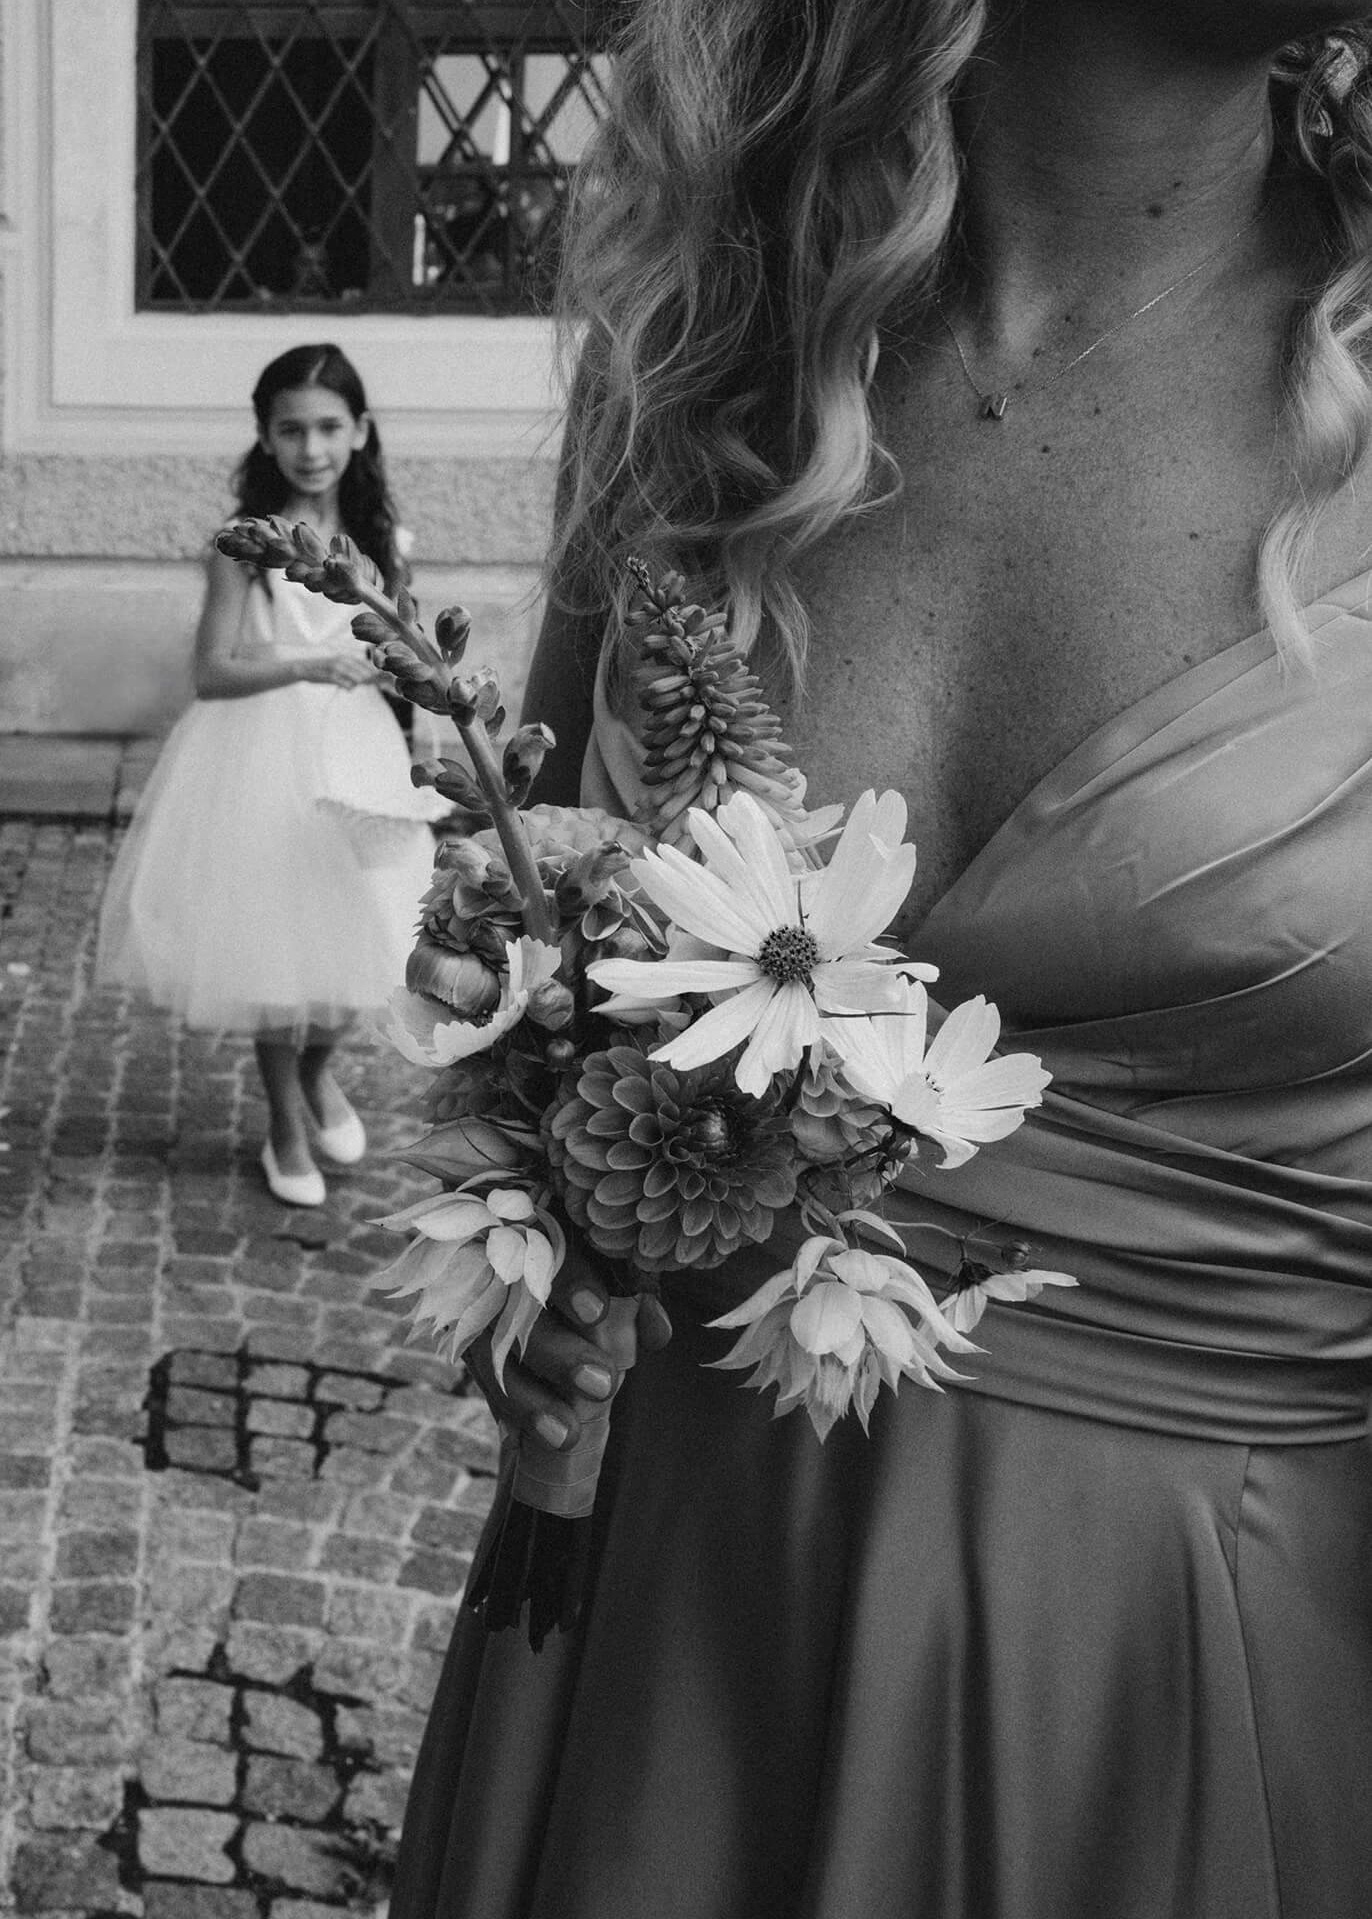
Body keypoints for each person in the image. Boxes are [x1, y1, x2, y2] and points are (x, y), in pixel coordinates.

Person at [391, 4, 1372, 1914]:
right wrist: (552, 1257)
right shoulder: (693, 372)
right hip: (672, 1626)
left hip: (1192, 1679)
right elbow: (541, 922)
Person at [97, 344, 443, 1207]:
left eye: (329, 427)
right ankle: (285, 1121)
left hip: (358, 754)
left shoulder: (382, 541)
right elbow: (211, 672)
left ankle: (318, 1076)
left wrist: (426, 734)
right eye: (292, 429)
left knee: (367, 938)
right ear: (266, 435)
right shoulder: (242, 547)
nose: (312, 447)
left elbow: (404, 652)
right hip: (262, 753)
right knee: (277, 947)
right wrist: (304, 667)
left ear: (360, 431)